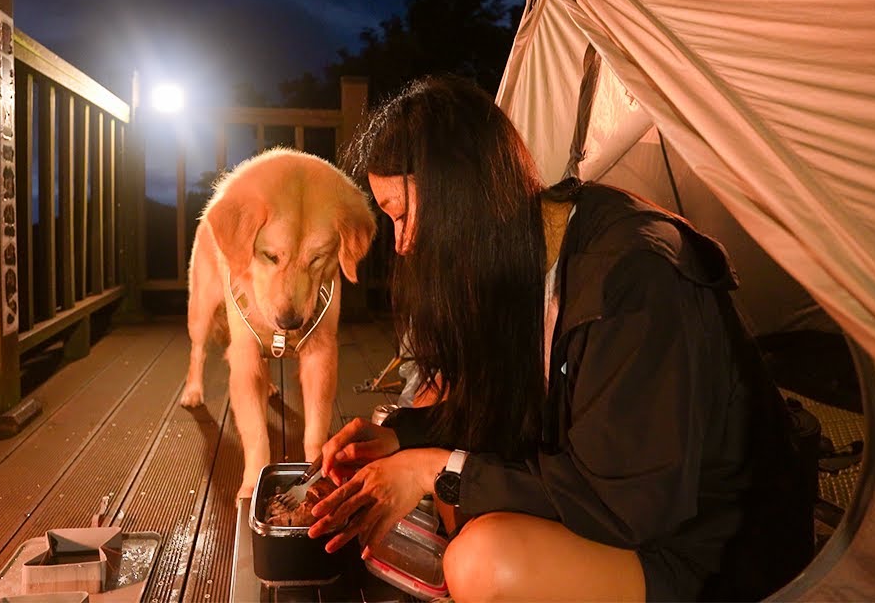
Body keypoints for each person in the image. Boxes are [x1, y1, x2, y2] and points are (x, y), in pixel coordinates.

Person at [306, 75, 813, 602]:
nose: (403, 245)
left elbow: (629, 505)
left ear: (461, 201)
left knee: (486, 560)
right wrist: (402, 438)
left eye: (403, 215)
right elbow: (511, 413)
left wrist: (435, 469)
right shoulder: (527, 263)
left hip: (715, 548)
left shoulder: (631, 278)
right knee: (457, 497)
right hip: (638, 516)